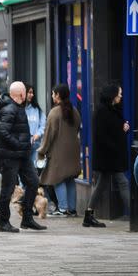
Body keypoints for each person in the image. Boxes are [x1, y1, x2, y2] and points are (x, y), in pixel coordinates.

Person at [0, 81, 46, 232]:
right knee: (8, 189)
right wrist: (19, 144)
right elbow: (2, 132)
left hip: (22, 155)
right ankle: (4, 223)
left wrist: (23, 144)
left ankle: (27, 218)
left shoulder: (17, 107)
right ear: (21, 94)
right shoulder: (10, 108)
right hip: (10, 156)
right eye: (26, 92)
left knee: (33, 182)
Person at [86, 84, 132, 226]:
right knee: (123, 182)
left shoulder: (113, 110)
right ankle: (136, 214)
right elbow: (103, 135)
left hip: (110, 155)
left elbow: (115, 129)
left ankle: (88, 215)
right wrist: (121, 130)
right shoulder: (102, 112)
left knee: (101, 185)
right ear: (112, 95)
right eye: (119, 94)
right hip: (108, 155)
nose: (121, 96)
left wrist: (123, 128)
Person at [37, 84, 81, 217]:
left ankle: (62, 208)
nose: (52, 96)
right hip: (73, 150)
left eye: (53, 94)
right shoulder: (74, 111)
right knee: (70, 179)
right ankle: (72, 209)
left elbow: (48, 134)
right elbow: (78, 128)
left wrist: (42, 150)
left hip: (58, 151)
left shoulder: (54, 113)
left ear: (57, 95)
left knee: (57, 179)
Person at [25, 84, 46, 166]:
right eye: (29, 92)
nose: (32, 95)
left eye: (32, 93)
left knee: (35, 169)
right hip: (22, 146)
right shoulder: (18, 109)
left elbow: (43, 125)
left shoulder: (37, 110)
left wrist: (38, 134)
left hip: (36, 145)